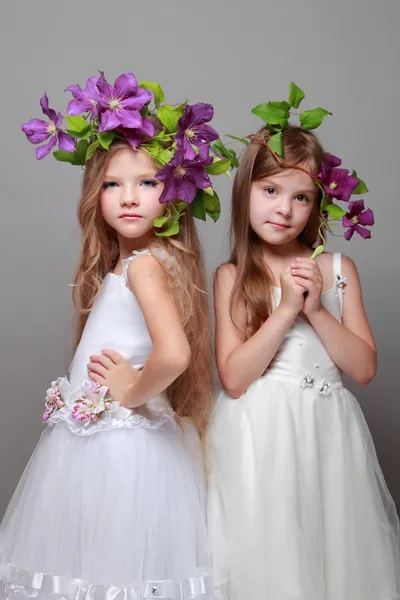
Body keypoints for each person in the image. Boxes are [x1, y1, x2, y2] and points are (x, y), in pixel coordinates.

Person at [0, 70, 233, 600]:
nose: (129, 198)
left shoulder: (145, 266)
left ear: (172, 193)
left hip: (121, 450)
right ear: (95, 194)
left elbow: (174, 354)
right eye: (113, 184)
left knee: (108, 571)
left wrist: (131, 390)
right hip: (101, 447)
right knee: (102, 571)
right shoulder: (126, 267)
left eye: (147, 183)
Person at [207, 83, 400, 600]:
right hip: (258, 436)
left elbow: (362, 369)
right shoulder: (232, 276)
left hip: (326, 434)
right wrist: (286, 308)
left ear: (317, 204)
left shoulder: (337, 270)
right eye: (270, 191)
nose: (284, 209)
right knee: (269, 557)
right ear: (245, 189)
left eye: (301, 197)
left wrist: (315, 308)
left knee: (331, 554)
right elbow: (235, 377)